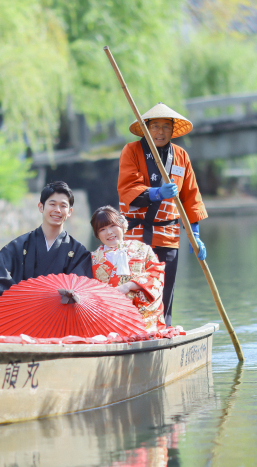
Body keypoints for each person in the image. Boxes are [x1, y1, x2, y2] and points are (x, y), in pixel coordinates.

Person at [117, 103, 208, 326]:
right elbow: (127, 188)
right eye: (155, 126)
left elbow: (191, 196)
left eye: (166, 127)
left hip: (168, 236)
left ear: (172, 130)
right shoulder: (132, 151)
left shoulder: (181, 156)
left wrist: (194, 233)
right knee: (135, 288)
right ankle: (131, 330)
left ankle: (164, 330)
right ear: (146, 128)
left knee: (165, 290)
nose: (160, 132)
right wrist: (156, 193)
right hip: (136, 237)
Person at [0, 181, 93, 322]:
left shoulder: (78, 252)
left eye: (63, 206)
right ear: (41, 207)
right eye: (52, 204)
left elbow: (81, 287)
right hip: (21, 314)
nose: (57, 210)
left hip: (59, 316)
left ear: (70, 212)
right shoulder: (19, 246)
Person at [90, 206, 166, 332]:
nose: (109, 232)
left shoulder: (143, 249)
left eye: (113, 226)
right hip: (109, 316)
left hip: (142, 314)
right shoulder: (92, 259)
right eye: (102, 229)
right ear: (97, 235)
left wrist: (129, 286)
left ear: (122, 226)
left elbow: (156, 274)